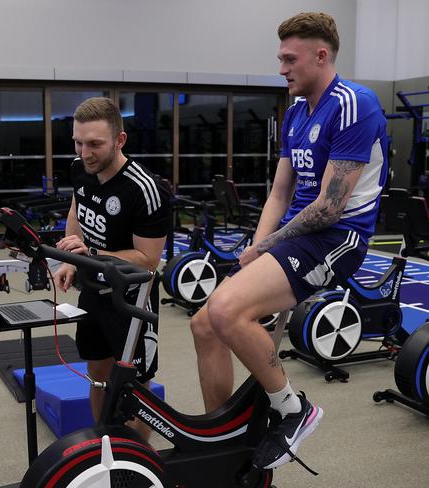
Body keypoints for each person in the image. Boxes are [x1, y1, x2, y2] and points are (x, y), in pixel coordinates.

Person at [190, 12, 388, 471]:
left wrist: (264, 248)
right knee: (206, 324)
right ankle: (224, 430)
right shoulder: (297, 111)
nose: (281, 68)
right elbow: (280, 192)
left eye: (288, 58)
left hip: (336, 238)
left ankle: (293, 409)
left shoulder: (356, 104)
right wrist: (254, 255)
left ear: (321, 55)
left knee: (224, 309)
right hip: (294, 240)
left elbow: (328, 208)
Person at [53, 97, 170, 440]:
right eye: (78, 142)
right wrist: (71, 260)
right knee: (98, 374)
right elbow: (77, 210)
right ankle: (104, 442)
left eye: (94, 144)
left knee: (134, 385)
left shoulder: (145, 190)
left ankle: (136, 463)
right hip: (94, 292)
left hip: (131, 300)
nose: (84, 152)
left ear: (119, 141)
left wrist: (90, 252)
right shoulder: (80, 168)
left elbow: (148, 260)